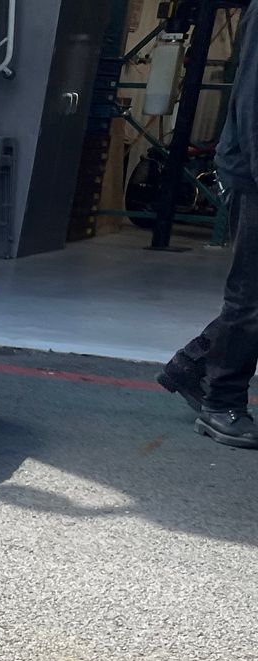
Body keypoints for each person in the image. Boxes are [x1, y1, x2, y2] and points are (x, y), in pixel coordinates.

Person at [160, 16, 258, 448]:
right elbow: (254, 101)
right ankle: (222, 404)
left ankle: (193, 365)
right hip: (252, 174)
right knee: (251, 295)